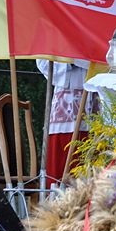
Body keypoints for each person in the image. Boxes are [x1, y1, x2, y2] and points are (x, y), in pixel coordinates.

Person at [36, 59, 96, 188]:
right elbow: (43, 62)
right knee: (60, 172)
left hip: (95, 98)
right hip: (66, 107)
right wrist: (71, 60)